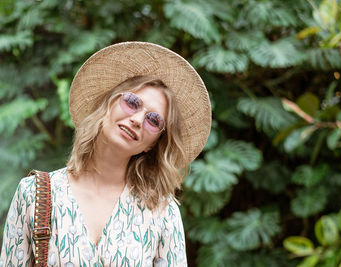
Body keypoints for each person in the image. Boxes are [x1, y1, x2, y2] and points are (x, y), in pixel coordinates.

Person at [0, 42, 211, 267]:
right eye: (132, 103)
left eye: (153, 120)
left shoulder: (162, 212)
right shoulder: (34, 194)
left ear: (153, 144)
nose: (138, 120)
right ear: (107, 104)